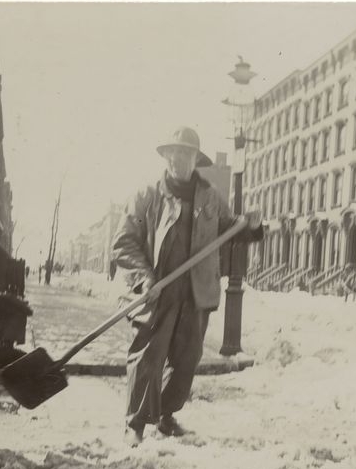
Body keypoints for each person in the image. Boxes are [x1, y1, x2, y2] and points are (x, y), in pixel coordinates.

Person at [111, 126, 263, 446]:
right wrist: (143, 278)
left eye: (187, 153)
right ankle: (135, 424)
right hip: (157, 290)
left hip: (196, 292)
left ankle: (165, 415)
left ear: (196, 158)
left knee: (186, 359)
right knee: (148, 357)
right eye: (174, 152)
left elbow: (231, 231)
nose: (179, 159)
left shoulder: (210, 197)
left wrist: (250, 226)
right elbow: (124, 243)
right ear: (165, 155)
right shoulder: (147, 196)